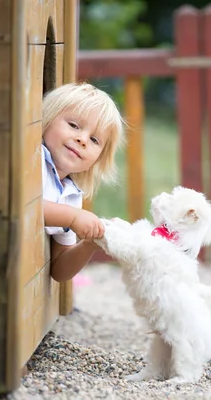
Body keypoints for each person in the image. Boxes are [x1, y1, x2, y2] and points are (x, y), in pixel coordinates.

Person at [41, 82, 125, 282]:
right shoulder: (34, 161)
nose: (82, 139)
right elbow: (22, 207)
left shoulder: (71, 194)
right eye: (74, 125)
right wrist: (73, 217)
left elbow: (59, 270)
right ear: (47, 119)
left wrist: (90, 244)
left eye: (94, 140)